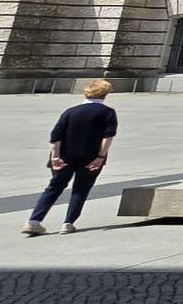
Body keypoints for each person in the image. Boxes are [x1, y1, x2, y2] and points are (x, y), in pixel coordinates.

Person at [24, 80, 118, 236]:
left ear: (85, 93)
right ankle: (68, 223)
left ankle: (34, 221)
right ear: (105, 95)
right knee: (81, 189)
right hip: (90, 157)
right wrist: (100, 156)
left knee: (54, 187)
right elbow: (108, 137)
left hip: (64, 156)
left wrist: (55, 156)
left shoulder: (70, 111)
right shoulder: (107, 112)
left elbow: (56, 136)